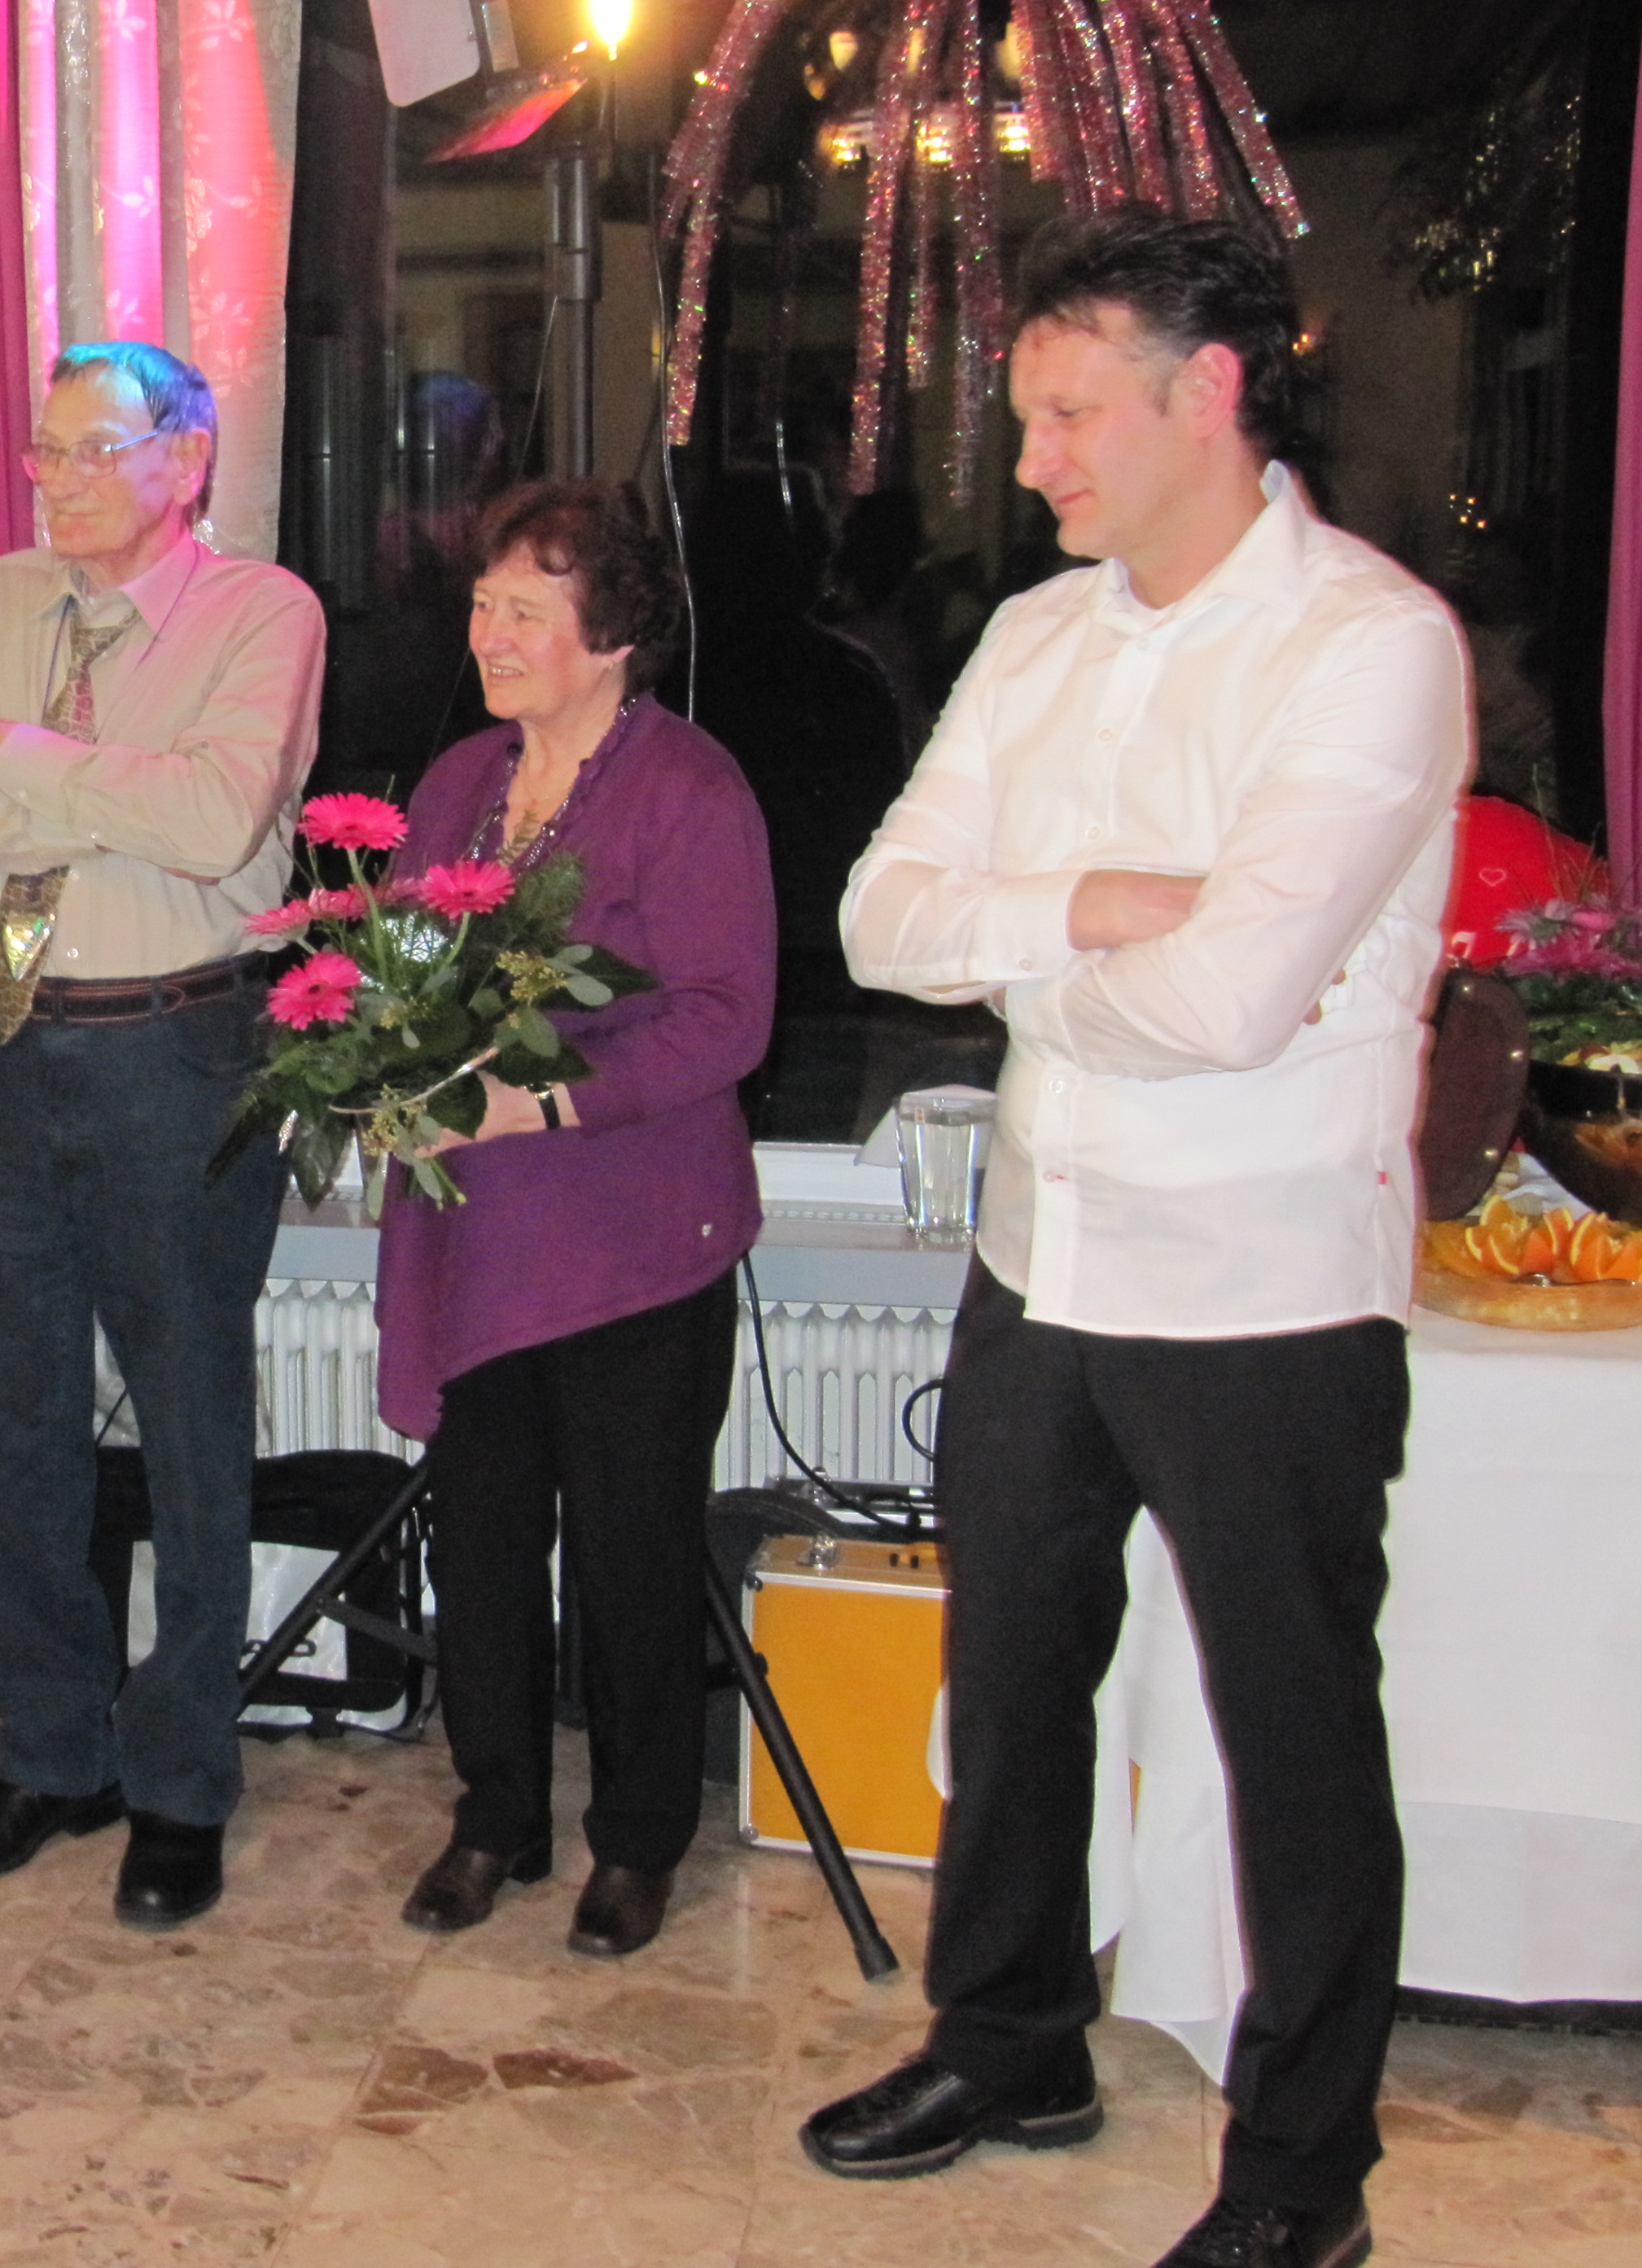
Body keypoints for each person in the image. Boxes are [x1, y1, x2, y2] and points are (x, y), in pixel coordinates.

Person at [818, 210, 1469, 2268]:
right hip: (1043, 1251)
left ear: (1208, 391)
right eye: (1024, 415)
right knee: (1010, 1679)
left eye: (1067, 412)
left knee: (1293, 1733)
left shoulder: (1366, 644)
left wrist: (1023, 952)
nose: (1029, 461)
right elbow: (875, 919)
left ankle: (1298, 2176)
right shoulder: (1036, 635)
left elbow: (1231, 1003)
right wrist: (1097, 909)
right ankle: (1008, 2039)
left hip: (1261, 1280)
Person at [0, 339, 325, 1931]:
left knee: (190, 1423)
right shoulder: (5, 601)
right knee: (3, 1423)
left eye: (93, 448)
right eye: (43, 449)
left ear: (183, 459)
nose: (55, 479)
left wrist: (12, 755)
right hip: (0, 1040)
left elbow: (214, 822)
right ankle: (51, 1752)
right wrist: (102, 785)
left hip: (174, 1047)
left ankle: (182, 1778)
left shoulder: (261, 612)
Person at [371, 481, 774, 1958]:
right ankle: (496, 1818)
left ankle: (639, 1840)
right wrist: (375, 1055)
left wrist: (537, 1103)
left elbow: (728, 1020)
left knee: (631, 1554)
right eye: (483, 605)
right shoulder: (456, 782)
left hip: (632, 1244)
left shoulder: (690, 789)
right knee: (479, 1545)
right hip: (480, 1238)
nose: (488, 633)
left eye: (524, 611)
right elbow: (403, 968)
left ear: (610, 635)